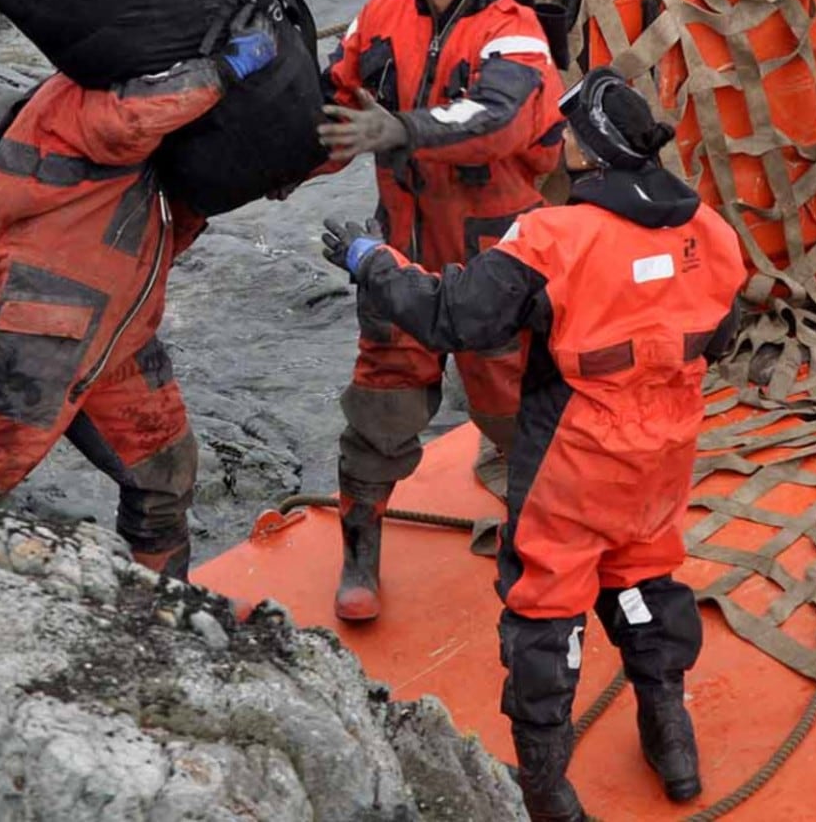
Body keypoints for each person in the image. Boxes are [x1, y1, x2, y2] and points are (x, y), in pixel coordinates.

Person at [320, 67, 749, 820]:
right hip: (662, 456)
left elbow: (457, 316)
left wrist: (371, 263)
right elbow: (723, 331)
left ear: (584, 153)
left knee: (546, 613)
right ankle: (670, 737)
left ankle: (547, 789)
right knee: (645, 580)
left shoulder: (556, 236)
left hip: (573, 462)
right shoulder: (709, 230)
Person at [0, 11, 280, 579]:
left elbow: (208, 178)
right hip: (39, 325)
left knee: (165, 471)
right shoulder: (82, 97)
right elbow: (129, 121)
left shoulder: (160, 121)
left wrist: (319, 134)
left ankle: (159, 609)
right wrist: (225, 69)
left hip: (119, 335)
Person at [316, 0, 562, 622]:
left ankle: (542, 552)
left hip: (495, 268)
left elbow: (493, 119)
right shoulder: (380, 14)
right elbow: (334, 100)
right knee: (378, 411)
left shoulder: (516, 38)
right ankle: (361, 555)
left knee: (520, 416)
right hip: (400, 256)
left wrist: (402, 128)